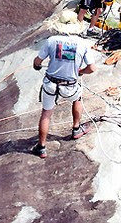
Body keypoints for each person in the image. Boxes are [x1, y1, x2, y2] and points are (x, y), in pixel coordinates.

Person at [32, 18, 97, 158]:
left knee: (46, 114)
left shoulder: (51, 40)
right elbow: (92, 68)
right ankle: (76, 128)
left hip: (51, 84)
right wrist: (81, 71)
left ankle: (41, 147)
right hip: (70, 86)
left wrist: (37, 66)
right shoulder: (83, 44)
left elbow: (37, 62)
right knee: (77, 99)